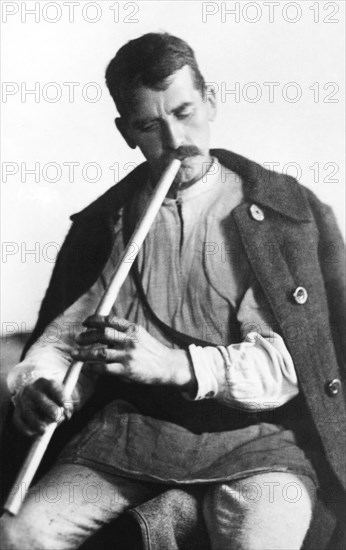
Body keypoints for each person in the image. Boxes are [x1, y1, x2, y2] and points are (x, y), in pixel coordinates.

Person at [0, 32, 345, 550]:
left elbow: (290, 367)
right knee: (20, 532)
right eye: (149, 125)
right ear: (126, 133)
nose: (174, 137)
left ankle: (183, 514)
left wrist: (176, 365)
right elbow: (71, 338)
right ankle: (176, 512)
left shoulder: (279, 214)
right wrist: (40, 386)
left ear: (210, 102)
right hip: (134, 439)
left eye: (185, 112)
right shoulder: (111, 223)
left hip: (259, 444)